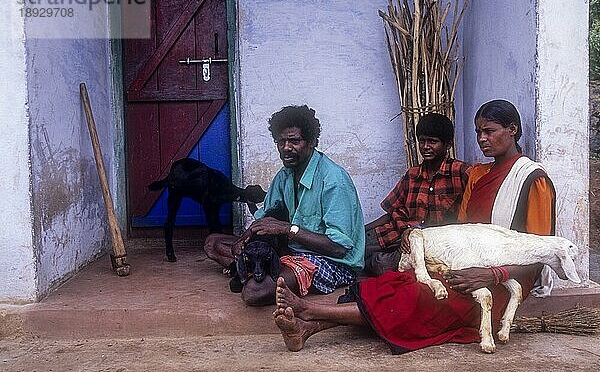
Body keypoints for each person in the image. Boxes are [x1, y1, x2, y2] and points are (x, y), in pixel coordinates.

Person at [272, 99, 556, 353]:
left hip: (504, 279)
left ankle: (309, 311)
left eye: (489, 131)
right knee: (395, 283)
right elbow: (462, 230)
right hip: (463, 263)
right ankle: (306, 329)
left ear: (513, 129)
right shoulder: (478, 175)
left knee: (417, 298)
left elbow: (542, 252)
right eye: (478, 132)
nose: (482, 139)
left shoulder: (532, 179)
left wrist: (491, 274)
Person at [204, 105, 365, 306]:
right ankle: (251, 267)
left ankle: (248, 271)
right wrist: (243, 241)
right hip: (292, 249)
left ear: (312, 142)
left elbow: (339, 248)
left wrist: (287, 228)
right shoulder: (285, 175)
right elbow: (265, 219)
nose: (286, 148)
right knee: (212, 244)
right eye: (281, 141)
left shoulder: (334, 180)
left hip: (331, 261)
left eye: (294, 141)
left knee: (255, 291)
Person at [364, 113, 470, 276]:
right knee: (355, 246)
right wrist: (359, 230)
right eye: (422, 141)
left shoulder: (461, 172)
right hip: (400, 232)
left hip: (431, 242)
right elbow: (392, 210)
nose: (425, 147)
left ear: (448, 144)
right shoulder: (412, 174)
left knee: (381, 264)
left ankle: (371, 261)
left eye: (432, 142)